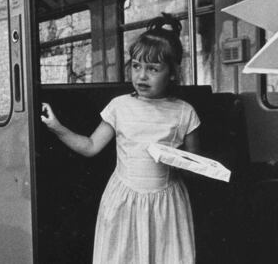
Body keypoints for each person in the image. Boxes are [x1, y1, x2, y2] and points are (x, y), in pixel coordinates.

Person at [41, 14, 201, 264]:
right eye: (137, 66)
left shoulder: (184, 112)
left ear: (172, 72)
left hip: (166, 204)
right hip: (124, 201)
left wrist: (179, 162)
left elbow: (194, 167)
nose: (142, 76)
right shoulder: (119, 106)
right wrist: (57, 127)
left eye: (153, 69)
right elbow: (90, 146)